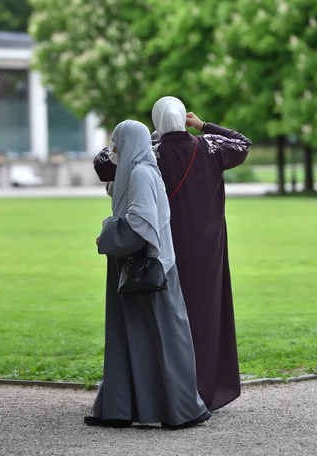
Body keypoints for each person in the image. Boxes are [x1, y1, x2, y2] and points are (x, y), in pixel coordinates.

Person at [93, 100, 252, 412]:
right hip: (206, 250)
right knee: (204, 315)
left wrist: (138, 137)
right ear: (183, 119)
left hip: (159, 247)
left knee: (164, 319)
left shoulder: (149, 151)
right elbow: (242, 143)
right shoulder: (209, 148)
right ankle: (202, 389)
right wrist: (204, 125)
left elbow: (102, 164)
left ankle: (164, 391)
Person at [85, 120, 210, 429]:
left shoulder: (141, 173)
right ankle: (119, 408)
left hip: (146, 267)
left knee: (164, 339)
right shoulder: (139, 170)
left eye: (117, 142)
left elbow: (141, 223)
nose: (113, 149)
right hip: (135, 266)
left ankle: (182, 410)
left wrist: (108, 231)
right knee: (128, 339)